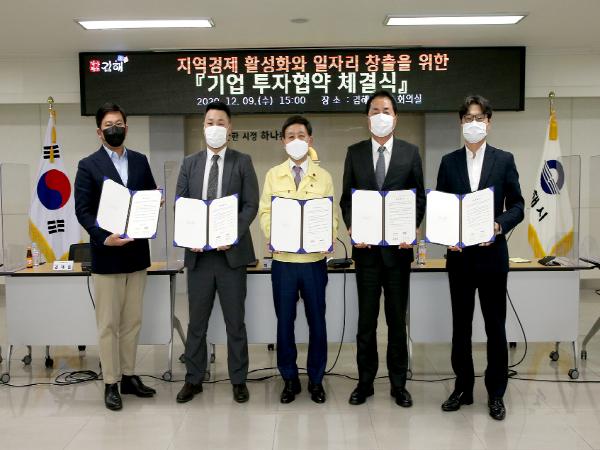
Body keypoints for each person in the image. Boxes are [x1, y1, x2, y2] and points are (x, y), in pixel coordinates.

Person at [436, 95, 524, 421]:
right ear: (461, 123)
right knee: (461, 327)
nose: (473, 124)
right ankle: (463, 388)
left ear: (489, 121)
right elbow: (442, 209)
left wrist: (499, 225)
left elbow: (518, 206)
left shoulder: (504, 160)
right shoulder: (449, 162)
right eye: (467, 118)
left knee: (495, 327)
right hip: (459, 259)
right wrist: (447, 237)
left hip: (492, 258)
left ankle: (496, 393)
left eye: (479, 118)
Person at [340, 90, 425, 407]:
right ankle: (365, 382)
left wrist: (412, 227)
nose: (380, 116)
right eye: (375, 110)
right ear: (367, 118)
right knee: (366, 322)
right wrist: (352, 227)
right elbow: (347, 199)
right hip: (366, 254)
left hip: (398, 254)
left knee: (396, 322)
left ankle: (398, 384)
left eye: (386, 110)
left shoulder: (410, 152)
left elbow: (419, 198)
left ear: (395, 117)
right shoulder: (355, 152)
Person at [74, 102, 158, 411]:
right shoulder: (88, 165)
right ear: (99, 132)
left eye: (119, 124)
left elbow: (150, 194)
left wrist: (153, 204)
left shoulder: (140, 160)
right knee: (108, 324)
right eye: (109, 125)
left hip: (136, 254)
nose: (115, 129)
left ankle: (129, 376)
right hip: (107, 255)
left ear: (126, 127)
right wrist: (102, 236)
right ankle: (111, 381)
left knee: (132, 321)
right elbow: (82, 210)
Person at [175, 101, 259, 404]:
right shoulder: (189, 163)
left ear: (230, 128)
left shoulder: (243, 161)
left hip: (231, 256)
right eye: (210, 122)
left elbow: (251, 204)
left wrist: (230, 233)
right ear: (203, 127)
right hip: (199, 257)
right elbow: (181, 204)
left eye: (220, 122)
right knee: (196, 322)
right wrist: (191, 235)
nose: (215, 128)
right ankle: (193, 378)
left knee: (235, 322)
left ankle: (238, 380)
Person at [258, 115, 338, 404]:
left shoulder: (324, 176)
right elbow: (265, 213)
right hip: (283, 261)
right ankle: (289, 378)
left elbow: (331, 216)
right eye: (290, 136)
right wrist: (274, 235)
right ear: (283, 142)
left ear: (310, 140)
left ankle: (316, 379)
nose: (296, 141)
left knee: (317, 322)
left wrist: (328, 237)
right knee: (285, 323)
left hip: (314, 262)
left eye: (301, 136)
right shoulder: (273, 175)